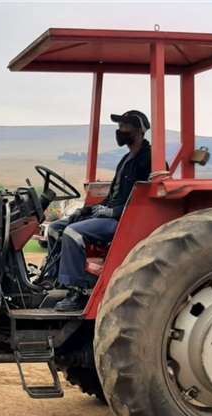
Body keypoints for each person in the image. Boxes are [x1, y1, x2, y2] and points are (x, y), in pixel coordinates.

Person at [51, 110, 153, 311]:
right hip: (112, 214)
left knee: (74, 233)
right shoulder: (126, 158)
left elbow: (145, 200)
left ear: (139, 130)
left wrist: (113, 213)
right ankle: (56, 281)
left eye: (125, 127)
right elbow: (114, 195)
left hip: (125, 221)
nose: (120, 131)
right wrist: (87, 210)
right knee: (56, 227)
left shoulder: (149, 160)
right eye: (119, 127)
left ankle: (76, 291)